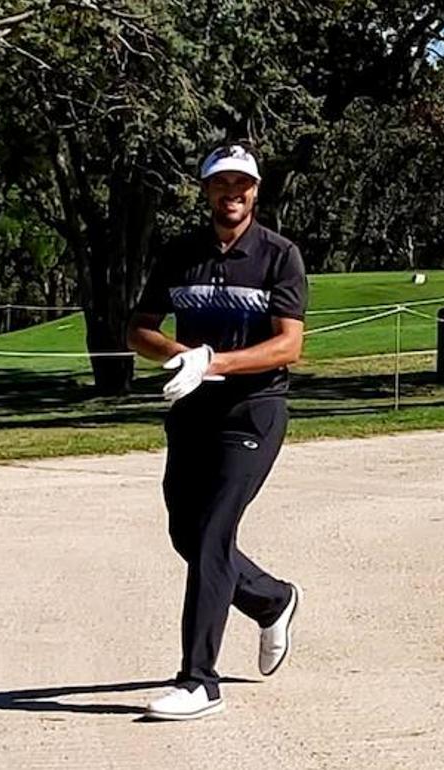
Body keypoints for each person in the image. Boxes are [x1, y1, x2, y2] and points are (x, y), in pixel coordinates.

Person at [128, 142, 305, 721]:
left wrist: (215, 362)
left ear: (255, 191)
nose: (233, 193)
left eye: (242, 184)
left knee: (211, 534)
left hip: (253, 411)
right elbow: (139, 329)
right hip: (192, 410)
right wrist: (182, 356)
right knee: (188, 533)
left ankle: (199, 681)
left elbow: (289, 345)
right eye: (221, 183)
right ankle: (272, 599)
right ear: (206, 190)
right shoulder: (180, 254)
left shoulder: (279, 255)